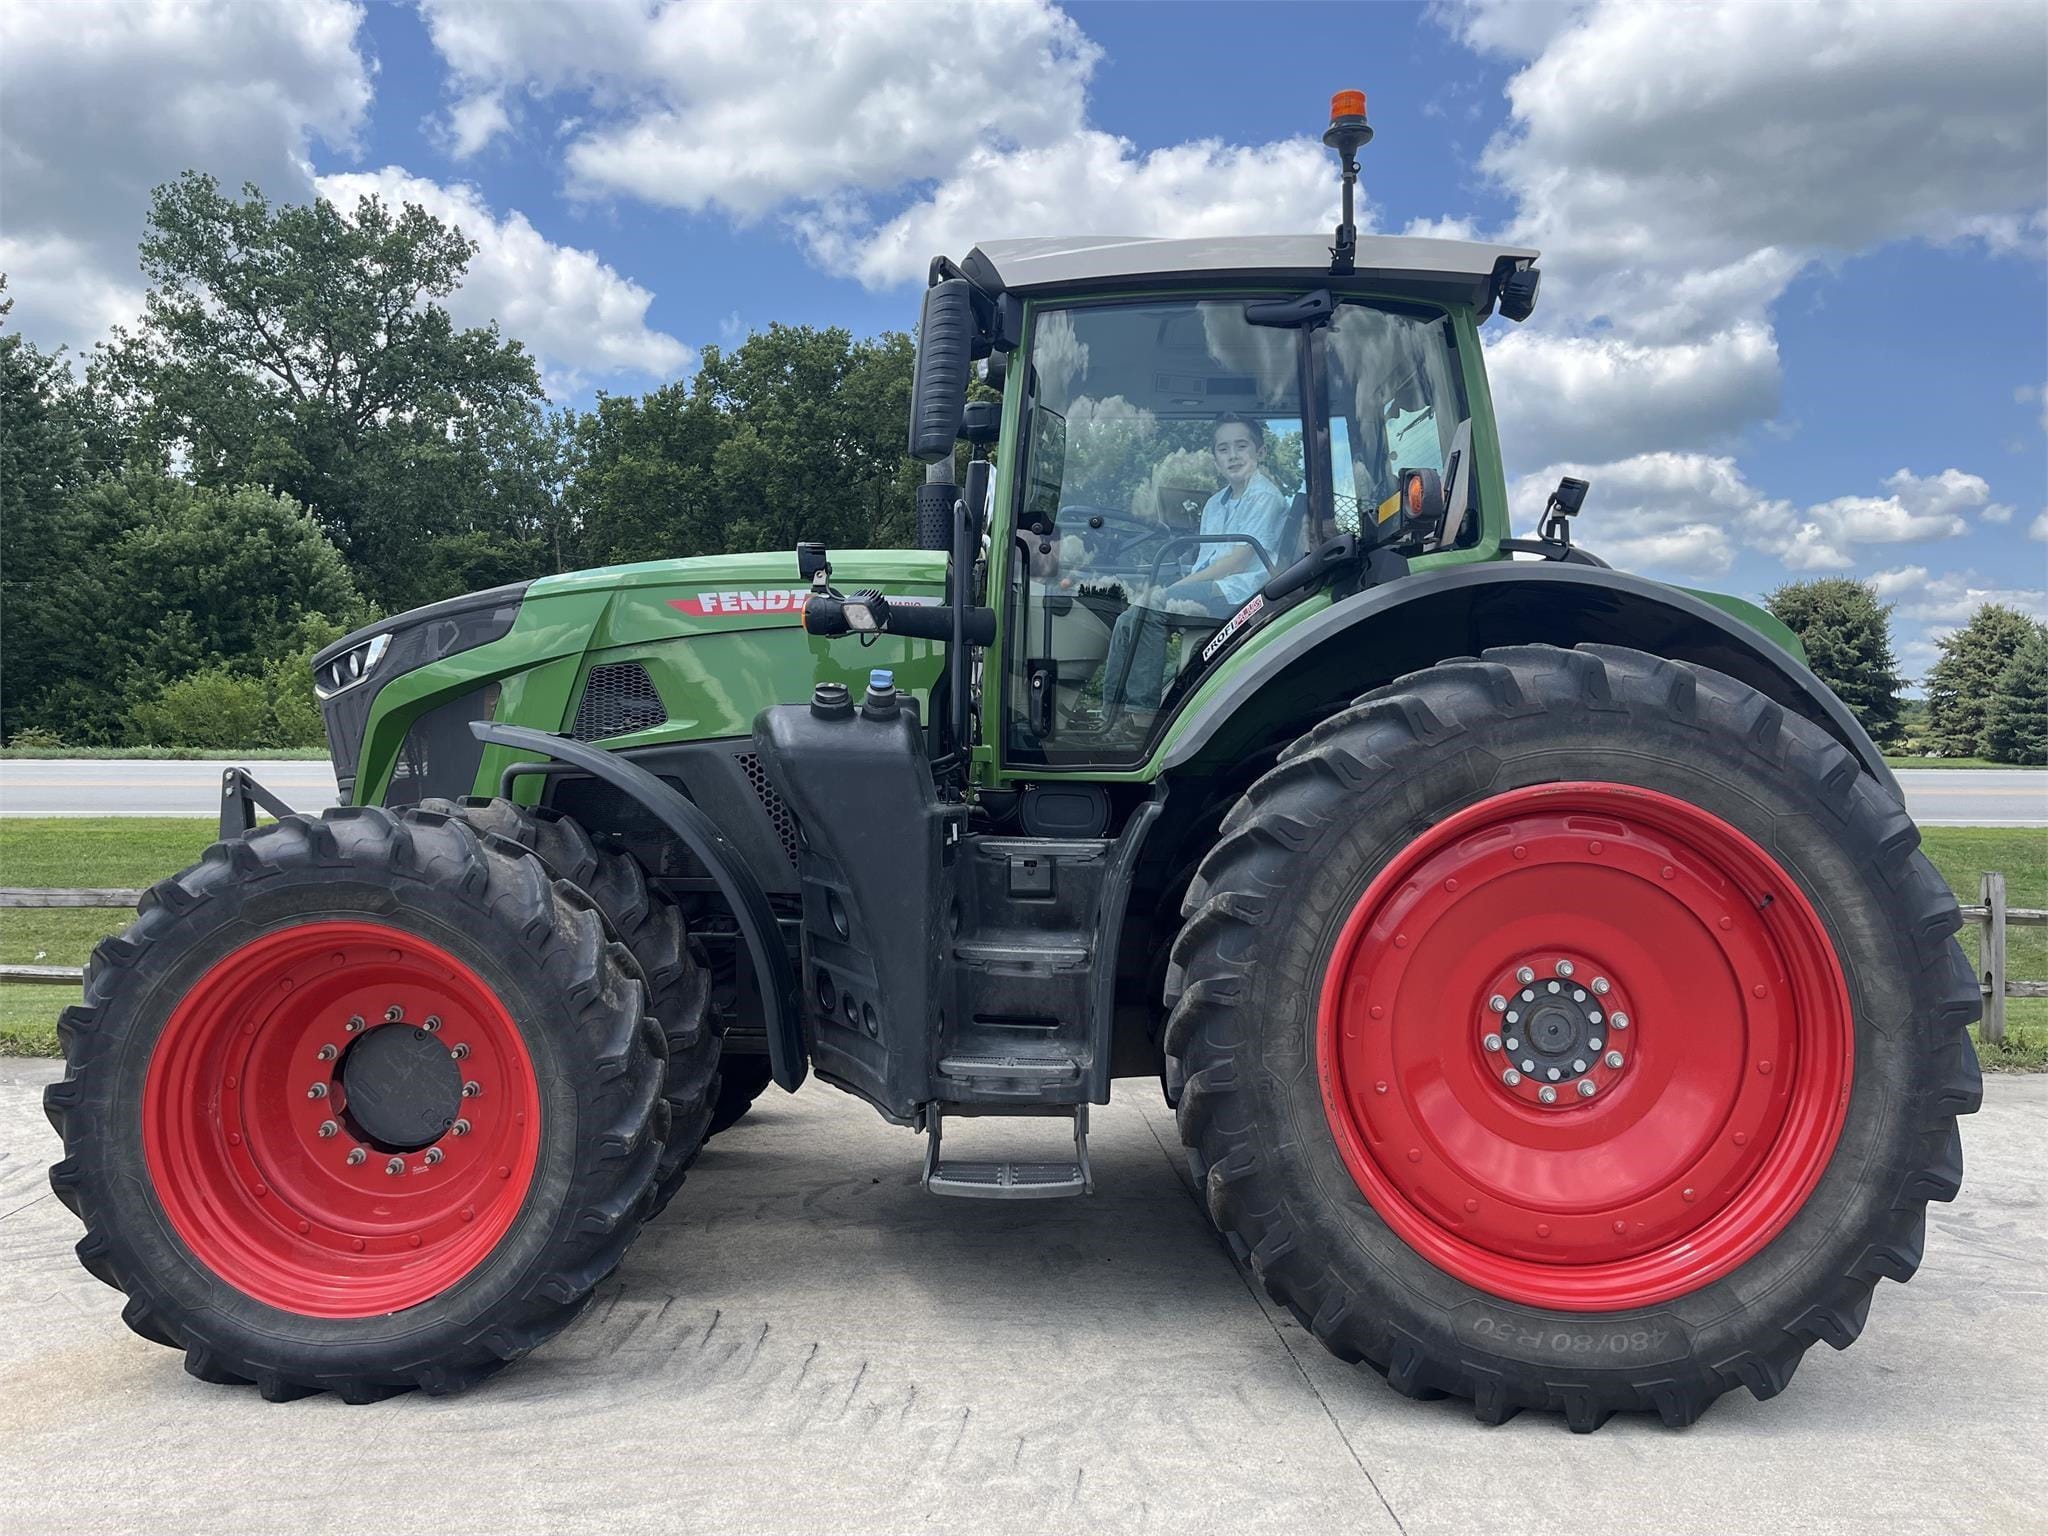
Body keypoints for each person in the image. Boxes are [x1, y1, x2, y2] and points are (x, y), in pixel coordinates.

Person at [1100, 413, 1294, 715]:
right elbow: (1206, 559)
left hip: (1241, 594)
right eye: (1223, 448)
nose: (1233, 456)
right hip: (1214, 587)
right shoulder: (1215, 504)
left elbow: (1237, 562)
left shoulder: (1265, 498)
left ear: (1261, 452)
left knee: (1151, 612)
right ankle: (1111, 713)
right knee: (1130, 617)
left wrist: (1177, 588)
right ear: (1215, 457)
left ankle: (1140, 716)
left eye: (1241, 446)